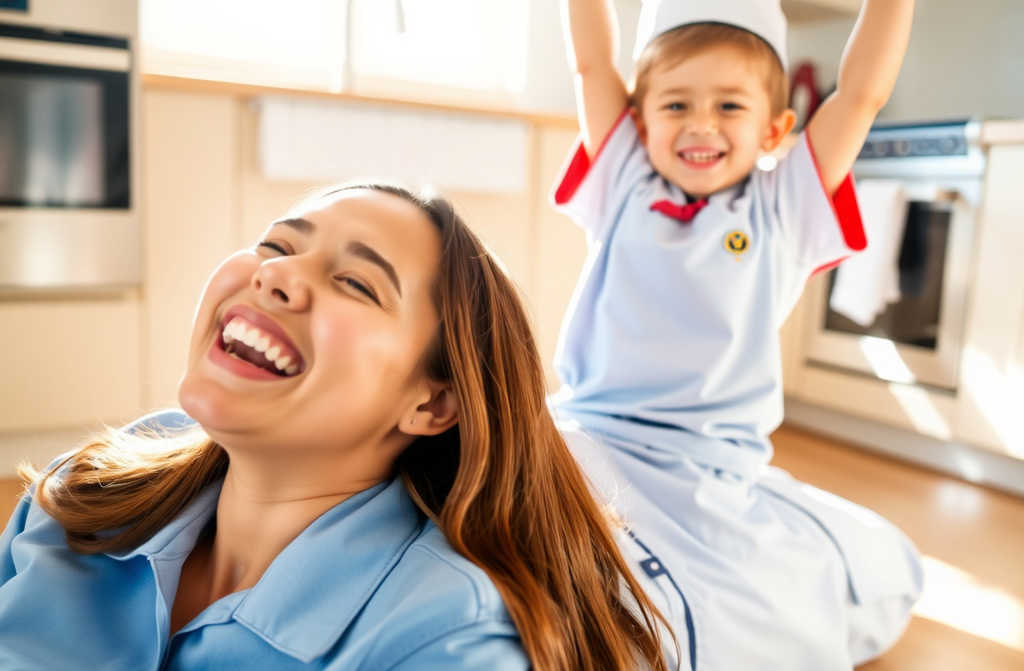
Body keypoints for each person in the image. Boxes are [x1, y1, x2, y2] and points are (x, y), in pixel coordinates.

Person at [1, 184, 675, 670]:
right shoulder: (81, 493)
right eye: (275, 244)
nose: (277, 274)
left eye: (356, 283)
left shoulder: (444, 640)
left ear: (431, 405)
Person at [552, 0, 923, 668]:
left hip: (704, 465)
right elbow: (590, 64)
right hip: (589, 431)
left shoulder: (783, 207)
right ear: (639, 121)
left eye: (729, 106)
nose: (701, 124)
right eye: (676, 105)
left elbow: (861, 94)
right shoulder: (624, 178)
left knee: (705, 609)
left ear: (774, 129)